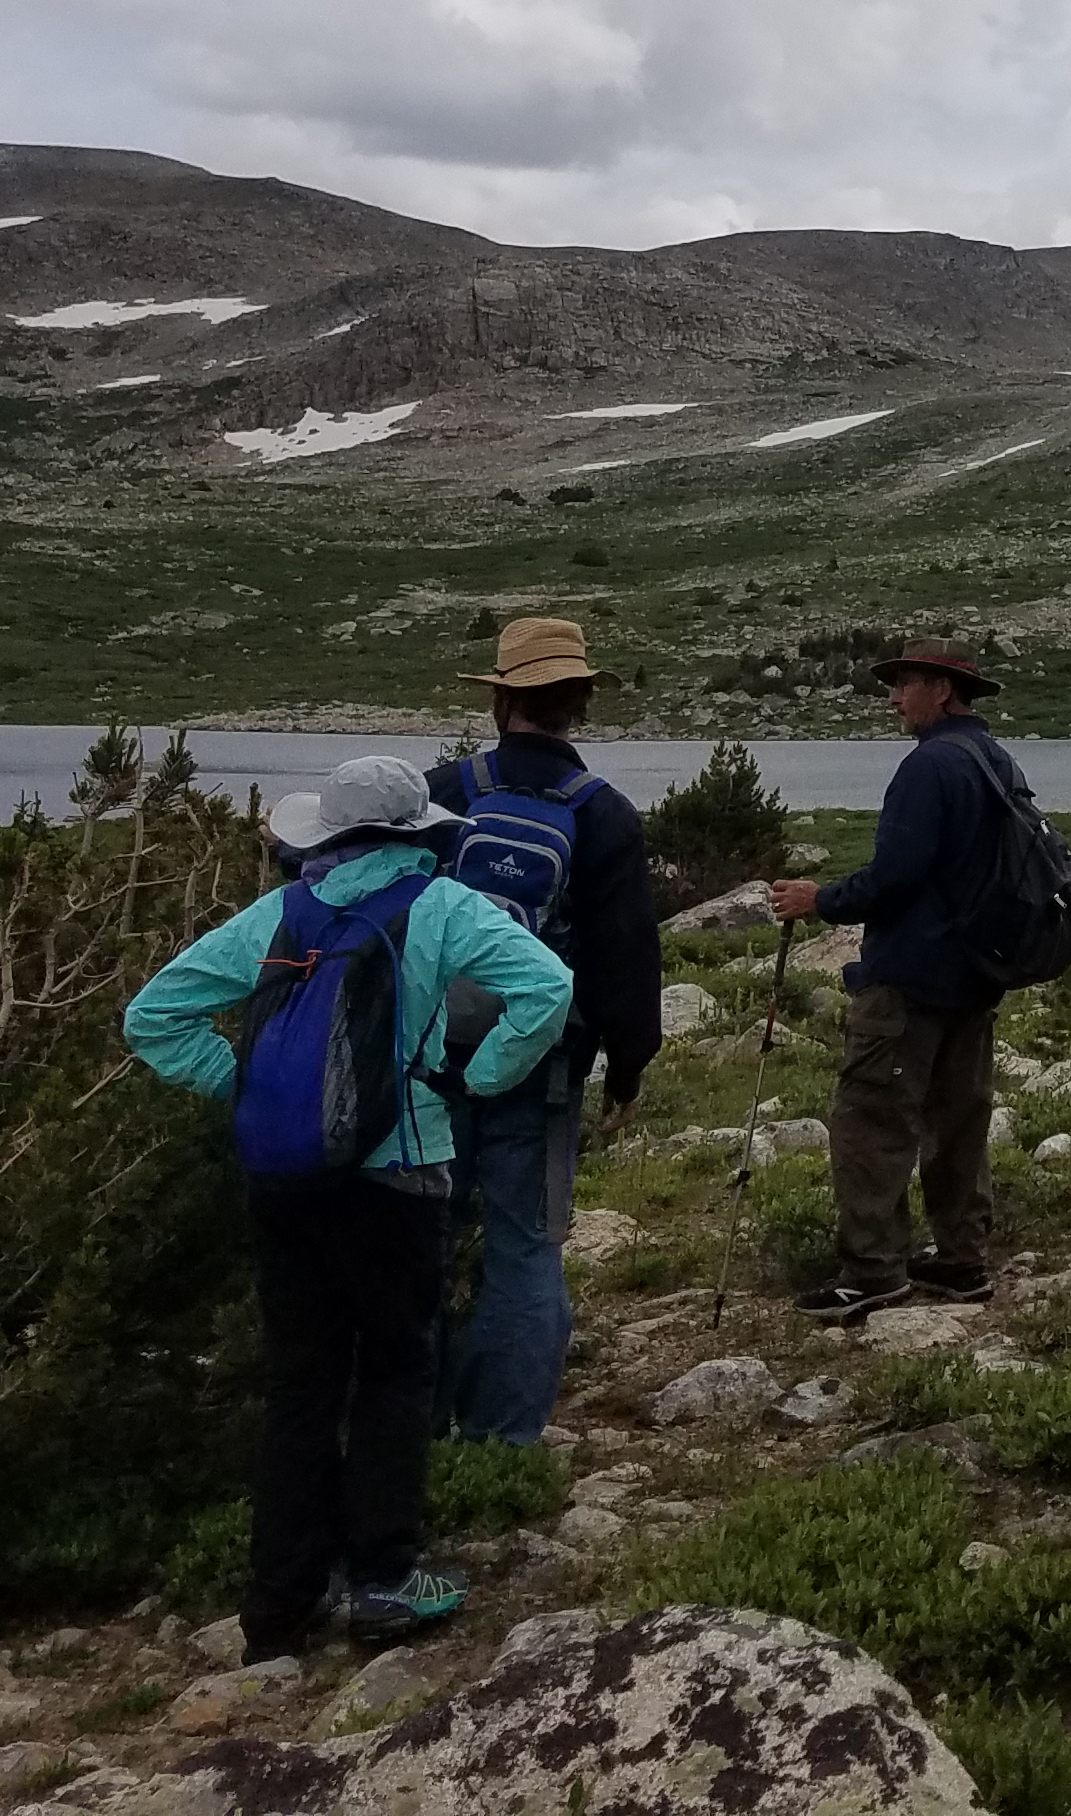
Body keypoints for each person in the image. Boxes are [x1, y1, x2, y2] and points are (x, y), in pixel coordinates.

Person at [123, 753, 573, 1657]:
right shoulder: (442, 907)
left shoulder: (281, 914)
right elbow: (547, 988)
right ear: (416, 832)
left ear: (326, 835)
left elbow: (152, 1017)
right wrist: (475, 1081)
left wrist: (249, 1088)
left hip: (285, 1180)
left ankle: (278, 1608)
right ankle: (384, 1580)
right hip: (401, 1174)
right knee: (396, 1372)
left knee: (301, 1382)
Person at [419, 616, 664, 1446]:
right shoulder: (603, 814)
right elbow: (624, 959)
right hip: (541, 1064)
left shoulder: (445, 791)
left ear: (502, 702)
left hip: (427, 1062)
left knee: (424, 1241)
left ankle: (408, 1428)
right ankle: (503, 1443)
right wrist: (628, 1068)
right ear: (579, 706)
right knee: (526, 1248)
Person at [767, 639, 1023, 1318]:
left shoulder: (928, 765)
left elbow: (896, 877)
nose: (893, 697)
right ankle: (962, 1259)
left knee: (872, 1118)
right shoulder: (995, 759)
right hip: (976, 972)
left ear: (941, 690)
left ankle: (873, 1270)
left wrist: (818, 900)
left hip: (911, 974)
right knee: (960, 1116)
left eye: (905, 683)